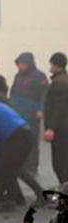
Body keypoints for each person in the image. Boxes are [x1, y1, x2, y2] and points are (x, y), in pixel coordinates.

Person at [0, 99, 43, 209]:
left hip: (17, 136)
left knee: (6, 169)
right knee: (13, 168)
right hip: (23, 134)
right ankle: (17, 197)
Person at [10, 52, 49, 176]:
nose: (20, 66)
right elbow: (13, 92)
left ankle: (32, 166)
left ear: (29, 63)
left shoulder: (40, 77)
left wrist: (41, 109)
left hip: (32, 113)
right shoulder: (18, 76)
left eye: (22, 64)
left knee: (31, 140)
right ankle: (20, 165)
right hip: (17, 112)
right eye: (19, 64)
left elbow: (44, 95)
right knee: (19, 140)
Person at [44, 52, 68, 183]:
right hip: (63, 129)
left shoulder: (59, 83)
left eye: (52, 64)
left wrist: (51, 128)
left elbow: (59, 108)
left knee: (59, 164)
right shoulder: (63, 80)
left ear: (57, 65)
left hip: (61, 130)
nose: (50, 67)